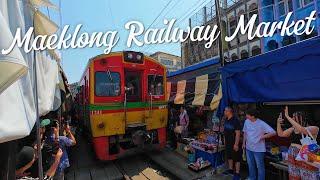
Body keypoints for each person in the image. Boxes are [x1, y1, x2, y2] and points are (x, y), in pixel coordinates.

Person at [277, 106, 319, 179]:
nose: (292, 119)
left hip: (306, 153)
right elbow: (281, 134)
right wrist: (278, 123)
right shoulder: (293, 128)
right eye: (292, 117)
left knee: (308, 174)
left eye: (294, 117)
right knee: (294, 175)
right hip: (292, 153)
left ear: (301, 118)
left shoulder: (314, 128)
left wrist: (287, 116)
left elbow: (302, 130)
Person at [242, 109, 276, 180]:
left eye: (247, 114)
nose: (246, 116)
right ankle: (252, 178)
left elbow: (273, 132)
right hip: (248, 148)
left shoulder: (261, 123)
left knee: (260, 167)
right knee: (250, 165)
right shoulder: (246, 121)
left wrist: (262, 137)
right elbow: (245, 132)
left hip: (258, 149)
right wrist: (243, 143)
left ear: (253, 116)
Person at [223, 107, 241, 180]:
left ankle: (237, 173)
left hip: (234, 142)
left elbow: (238, 133)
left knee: (236, 158)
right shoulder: (226, 119)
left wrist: (236, 144)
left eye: (225, 111)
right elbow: (225, 131)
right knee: (229, 156)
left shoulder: (235, 120)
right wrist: (224, 141)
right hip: (227, 142)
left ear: (229, 111)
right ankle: (230, 169)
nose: (224, 112)